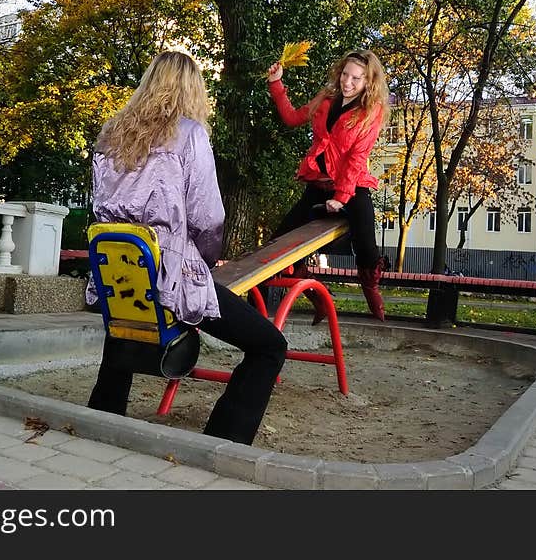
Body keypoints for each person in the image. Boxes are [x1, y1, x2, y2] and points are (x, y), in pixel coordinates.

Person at [85, 51, 287, 446]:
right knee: (269, 346)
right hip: (169, 271)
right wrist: (205, 261)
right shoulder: (189, 134)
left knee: (126, 330)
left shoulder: (111, 134)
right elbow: (208, 217)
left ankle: (98, 425)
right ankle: (224, 439)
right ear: (191, 90)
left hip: (119, 269)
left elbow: (100, 204)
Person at [267, 49, 390, 321]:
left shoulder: (371, 112)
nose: (348, 82)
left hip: (352, 185)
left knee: (367, 246)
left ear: (368, 82)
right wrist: (276, 83)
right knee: (281, 242)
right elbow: (293, 118)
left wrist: (342, 197)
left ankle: (371, 287)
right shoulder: (327, 98)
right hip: (318, 184)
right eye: (345, 74)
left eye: (356, 78)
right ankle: (317, 298)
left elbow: (357, 158)